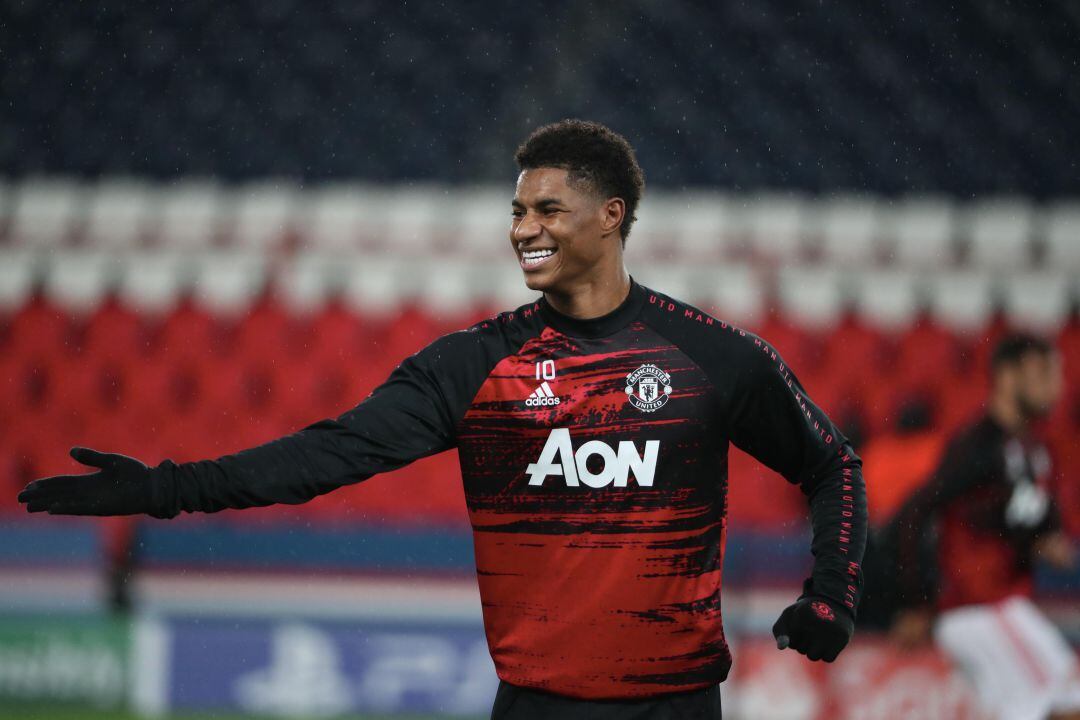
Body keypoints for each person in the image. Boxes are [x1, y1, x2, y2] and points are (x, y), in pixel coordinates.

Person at [18, 119, 867, 720]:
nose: (523, 230)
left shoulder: (711, 356)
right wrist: (165, 489)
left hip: (679, 707)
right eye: (516, 212)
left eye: (545, 211)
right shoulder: (473, 366)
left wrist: (832, 592)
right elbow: (330, 454)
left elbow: (834, 464)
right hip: (535, 707)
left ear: (611, 219)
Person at [889, 333, 1080, 720]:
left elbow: (1011, 524)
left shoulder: (1035, 450)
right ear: (1008, 377)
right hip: (979, 610)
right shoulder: (978, 446)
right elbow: (913, 514)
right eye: (1042, 373)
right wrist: (917, 600)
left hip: (1001, 607)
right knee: (1067, 701)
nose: (1055, 387)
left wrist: (1043, 542)